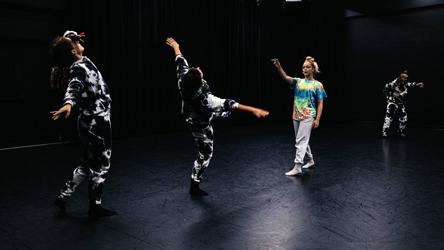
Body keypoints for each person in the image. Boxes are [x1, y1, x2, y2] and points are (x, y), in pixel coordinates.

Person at [166, 37, 270, 196]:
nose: (199, 69)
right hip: (200, 123)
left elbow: (180, 60)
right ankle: (194, 186)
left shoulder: (183, 80)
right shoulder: (208, 100)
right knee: (205, 154)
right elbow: (230, 103)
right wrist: (253, 109)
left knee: (220, 112)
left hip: (190, 113)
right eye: (199, 72)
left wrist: (176, 46)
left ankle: (219, 116)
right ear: (200, 83)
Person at [49, 30, 116, 217]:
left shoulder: (81, 60)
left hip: (88, 122)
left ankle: (63, 196)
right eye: (73, 42)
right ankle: (95, 206)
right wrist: (68, 103)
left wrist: (72, 36)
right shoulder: (78, 68)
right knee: (101, 165)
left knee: (87, 164)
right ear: (72, 51)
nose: (77, 41)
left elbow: (65, 39)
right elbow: (74, 86)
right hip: (97, 123)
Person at [272, 57, 327, 176]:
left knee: (300, 140)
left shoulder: (318, 85)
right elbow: (286, 77)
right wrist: (279, 68)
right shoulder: (299, 81)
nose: (305, 69)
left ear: (313, 69)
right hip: (296, 115)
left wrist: (317, 119)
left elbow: (320, 103)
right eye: (303, 67)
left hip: (308, 115)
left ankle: (298, 166)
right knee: (302, 140)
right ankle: (311, 160)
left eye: (307, 67)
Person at [382, 70, 424, 138]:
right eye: (403, 79)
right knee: (389, 117)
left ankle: (401, 131)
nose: (404, 80)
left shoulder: (404, 83)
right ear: (400, 78)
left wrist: (417, 84)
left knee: (404, 118)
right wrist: (392, 93)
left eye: (405, 79)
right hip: (392, 102)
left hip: (400, 103)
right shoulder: (393, 83)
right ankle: (385, 132)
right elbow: (385, 89)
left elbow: (410, 84)